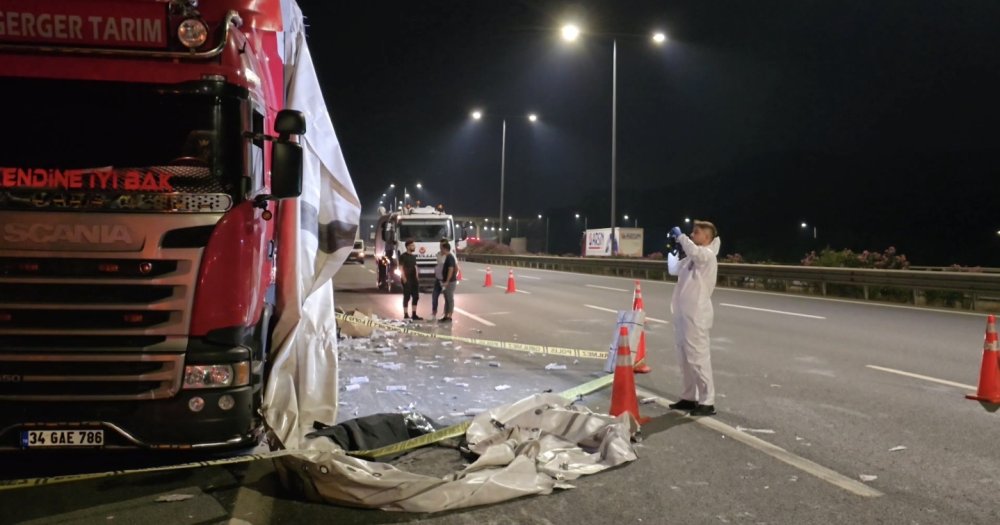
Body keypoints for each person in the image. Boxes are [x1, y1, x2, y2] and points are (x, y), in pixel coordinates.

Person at [668, 220, 721, 416]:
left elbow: (696, 253)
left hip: (697, 315)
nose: (692, 235)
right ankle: (688, 397)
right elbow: (673, 269)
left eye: (696, 232)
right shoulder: (691, 259)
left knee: (698, 357)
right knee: (685, 358)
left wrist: (681, 238)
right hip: (683, 314)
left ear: (706, 237)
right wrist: (672, 249)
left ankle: (707, 401)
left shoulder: (707, 256)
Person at [432, 241, 457, 322]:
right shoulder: (446, 256)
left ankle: (449, 316)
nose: (441, 250)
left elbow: (451, 269)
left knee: (449, 299)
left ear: (445, 249)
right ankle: (445, 316)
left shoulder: (450, 257)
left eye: (442, 248)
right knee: (446, 298)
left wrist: (447, 281)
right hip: (443, 280)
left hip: (449, 282)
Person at [398, 239, 422, 320]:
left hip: (414, 279)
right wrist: (403, 277)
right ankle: (405, 314)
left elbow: (415, 267)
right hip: (407, 279)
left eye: (414, 245)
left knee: (416, 296)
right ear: (408, 247)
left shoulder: (413, 256)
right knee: (407, 296)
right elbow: (400, 267)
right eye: (412, 245)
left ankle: (414, 314)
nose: (414, 247)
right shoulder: (403, 256)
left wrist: (417, 276)